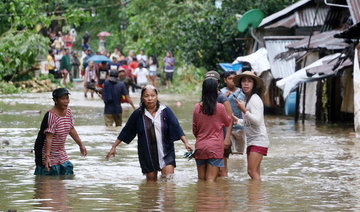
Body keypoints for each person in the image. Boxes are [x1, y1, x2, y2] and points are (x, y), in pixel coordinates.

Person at [106, 85, 193, 181]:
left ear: (157, 97)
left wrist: (186, 143)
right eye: (146, 96)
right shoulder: (138, 114)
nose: (150, 98)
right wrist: (114, 146)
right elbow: (126, 130)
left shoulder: (165, 111)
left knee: (168, 181)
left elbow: (176, 127)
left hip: (166, 151)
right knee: (151, 183)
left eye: (153, 95)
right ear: (142, 98)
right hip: (147, 153)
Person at [34, 88, 87, 175]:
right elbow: (49, 138)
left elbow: (71, 129)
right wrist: (47, 156)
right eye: (63, 99)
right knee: (48, 177)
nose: (66, 101)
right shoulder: (51, 116)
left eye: (67, 98)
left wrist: (81, 145)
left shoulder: (69, 112)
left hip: (60, 151)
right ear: (55, 100)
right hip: (45, 151)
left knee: (66, 173)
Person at [192, 78, 232, 182]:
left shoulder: (197, 107)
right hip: (215, 147)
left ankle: (202, 198)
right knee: (211, 181)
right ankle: (210, 198)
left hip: (200, 146)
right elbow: (227, 122)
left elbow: (194, 129)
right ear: (216, 90)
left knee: (201, 180)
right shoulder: (220, 107)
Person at [232, 71, 269, 180]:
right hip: (252, 140)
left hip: (259, 139)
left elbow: (257, 121)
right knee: (254, 172)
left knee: (251, 171)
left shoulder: (254, 99)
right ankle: (257, 196)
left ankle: (255, 195)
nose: (246, 84)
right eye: (243, 81)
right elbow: (249, 122)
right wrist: (238, 121)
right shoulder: (247, 99)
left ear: (254, 84)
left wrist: (243, 110)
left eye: (249, 81)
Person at [205, 71, 233, 177]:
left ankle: (224, 192)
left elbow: (230, 120)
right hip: (209, 138)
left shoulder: (222, 98)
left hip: (221, 137)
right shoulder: (205, 98)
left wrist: (227, 138)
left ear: (218, 83)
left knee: (222, 170)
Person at [220, 71, 246, 175]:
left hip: (239, 126)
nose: (232, 80)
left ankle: (238, 171)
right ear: (225, 80)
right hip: (226, 128)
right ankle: (229, 171)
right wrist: (223, 98)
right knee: (227, 152)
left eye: (234, 78)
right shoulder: (221, 93)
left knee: (240, 153)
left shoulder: (242, 92)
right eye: (230, 78)